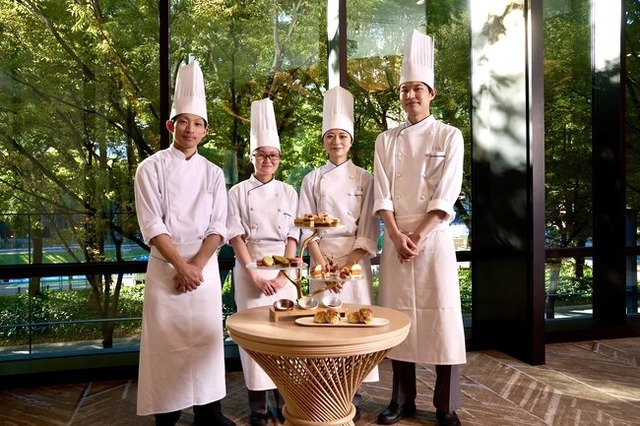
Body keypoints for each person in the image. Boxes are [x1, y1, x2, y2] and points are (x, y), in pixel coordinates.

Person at [372, 30, 467, 426]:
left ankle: (446, 406)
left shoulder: (450, 135)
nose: (411, 95)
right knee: (398, 323)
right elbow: (382, 193)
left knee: (444, 323)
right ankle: (401, 401)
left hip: (433, 239)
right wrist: (396, 236)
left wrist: (418, 235)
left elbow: (446, 193)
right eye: (405, 89)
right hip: (397, 239)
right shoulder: (385, 140)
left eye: (418, 89)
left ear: (432, 94)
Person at [134, 61, 235, 426]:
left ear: (205, 131)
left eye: (198, 123)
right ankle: (167, 415)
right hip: (167, 271)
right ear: (170, 125)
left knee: (206, 343)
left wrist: (196, 267)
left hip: (202, 271)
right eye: (184, 122)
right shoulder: (150, 168)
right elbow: (152, 224)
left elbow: (218, 226)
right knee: (166, 346)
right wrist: (181, 265)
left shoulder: (213, 172)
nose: (190, 129)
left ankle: (209, 412)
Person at [296, 85, 380, 422]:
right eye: (330, 136)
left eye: (342, 136)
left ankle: (352, 392)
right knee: (324, 324)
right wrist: (323, 265)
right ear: (323, 142)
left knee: (354, 325)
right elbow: (306, 227)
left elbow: (368, 227)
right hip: (323, 257)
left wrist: (347, 266)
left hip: (353, 259)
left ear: (350, 141)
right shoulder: (311, 179)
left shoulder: (366, 178)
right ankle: (324, 389)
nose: (336, 142)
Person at [227, 98, 298, 426]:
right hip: (249, 268)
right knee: (254, 340)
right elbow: (236, 236)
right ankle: (258, 408)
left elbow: (294, 236)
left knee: (287, 339)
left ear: (279, 159)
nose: (267, 160)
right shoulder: (238, 192)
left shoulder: (289, 191)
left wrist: (284, 275)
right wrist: (254, 274)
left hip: (284, 272)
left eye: (273, 155)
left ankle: (286, 404)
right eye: (261, 154)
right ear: (251, 157)